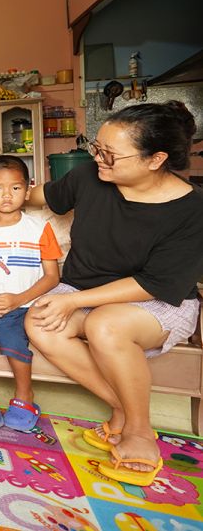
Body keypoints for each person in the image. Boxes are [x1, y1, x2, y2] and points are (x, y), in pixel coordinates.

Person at [25, 101, 203, 486]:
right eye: (96, 146)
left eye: (110, 153)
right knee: (39, 320)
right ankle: (123, 407)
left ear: (155, 159)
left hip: (154, 300)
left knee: (106, 324)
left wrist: (72, 300)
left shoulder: (193, 209)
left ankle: (139, 430)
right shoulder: (91, 177)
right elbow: (43, 195)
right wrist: (11, 195)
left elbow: (154, 284)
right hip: (83, 288)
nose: (98, 158)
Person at [0, 156, 61, 431]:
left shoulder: (40, 229)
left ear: (28, 190)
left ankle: (24, 396)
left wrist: (18, 300)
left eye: (16, 188)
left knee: (13, 340)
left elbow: (53, 276)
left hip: (23, 305)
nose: (6, 195)